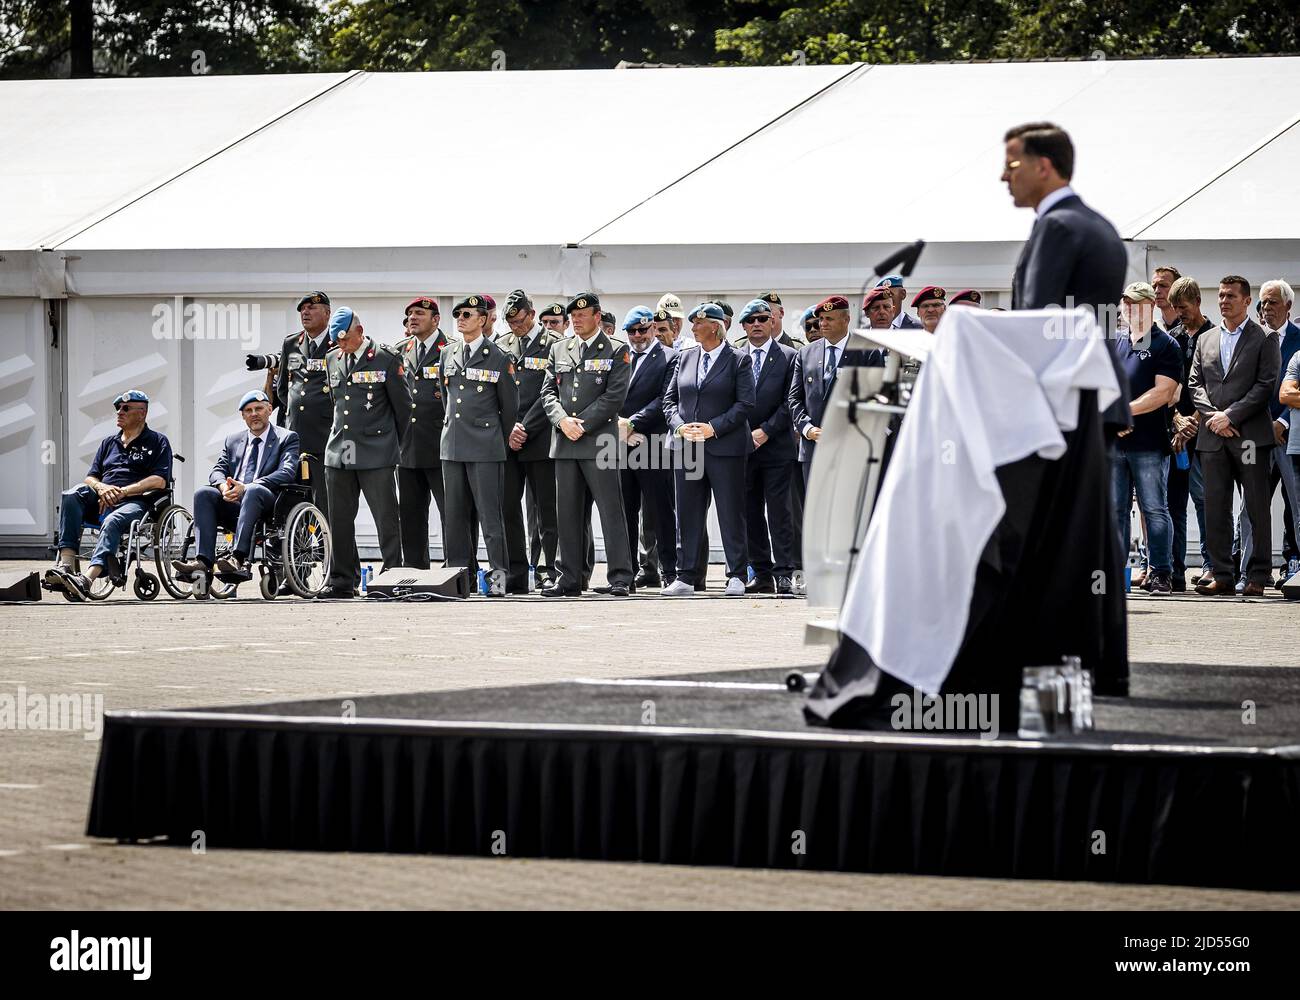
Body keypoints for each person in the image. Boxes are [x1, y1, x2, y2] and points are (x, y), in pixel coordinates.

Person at [1003, 121, 1130, 436]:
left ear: (1044, 167)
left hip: (1062, 404)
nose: (1004, 176)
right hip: (1094, 396)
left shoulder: (1057, 226)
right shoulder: (1100, 225)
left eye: (1012, 165)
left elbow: (1035, 323)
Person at [1188, 276, 1281, 597]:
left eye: (1231, 296)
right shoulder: (1207, 339)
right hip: (1213, 437)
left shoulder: (1264, 338)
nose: (1224, 300)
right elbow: (1194, 384)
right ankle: (1222, 574)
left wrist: (1231, 415)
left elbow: (1266, 384)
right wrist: (1215, 417)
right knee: (1215, 506)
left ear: (1246, 301)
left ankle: (1258, 574)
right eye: (1221, 296)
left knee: (1255, 505)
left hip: (1250, 438)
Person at [540, 291, 635, 597]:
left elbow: (614, 396)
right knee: (567, 513)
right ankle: (569, 577)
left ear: (597, 316)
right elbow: (548, 393)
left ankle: (621, 576)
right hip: (566, 441)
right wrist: (561, 421)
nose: (576, 320)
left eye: (583, 315)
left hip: (599, 441)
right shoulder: (559, 348)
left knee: (611, 511)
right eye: (573, 317)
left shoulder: (616, 350)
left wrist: (581, 423)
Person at [45, 389, 174, 601]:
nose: (119, 412)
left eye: (125, 408)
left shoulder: (158, 441)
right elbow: (91, 477)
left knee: (114, 520)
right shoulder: (108, 443)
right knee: (71, 494)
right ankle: (66, 566)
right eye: (118, 409)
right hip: (102, 499)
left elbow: (159, 480)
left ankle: (87, 579)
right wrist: (102, 488)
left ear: (141, 413)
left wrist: (122, 491)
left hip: (136, 503)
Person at [661, 302, 754, 597]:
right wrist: (679, 426)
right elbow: (669, 401)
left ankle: (736, 574)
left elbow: (745, 404)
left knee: (730, 512)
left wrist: (713, 427)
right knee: (687, 514)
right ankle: (686, 576)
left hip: (724, 447)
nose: (692, 329)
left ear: (714, 325)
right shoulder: (684, 358)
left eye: (698, 323)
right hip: (687, 447)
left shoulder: (738, 360)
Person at [322, 307, 412, 598]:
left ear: (359, 332)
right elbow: (338, 403)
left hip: (376, 450)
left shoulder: (385, 358)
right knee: (339, 518)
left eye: (346, 339)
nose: (342, 345)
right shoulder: (332, 359)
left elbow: (403, 407)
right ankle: (341, 580)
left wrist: (391, 445)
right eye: (338, 342)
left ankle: (392, 575)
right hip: (341, 449)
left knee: (386, 517)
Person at [171, 390, 301, 585]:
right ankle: (203, 561)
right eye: (248, 410)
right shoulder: (233, 440)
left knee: (253, 491)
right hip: (235, 503)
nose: (254, 414)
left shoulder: (286, 437)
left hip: (268, 503)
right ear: (243, 416)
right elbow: (217, 471)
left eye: (259, 409)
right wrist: (224, 487)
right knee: (204, 493)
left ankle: (237, 559)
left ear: (269, 410)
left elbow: (287, 472)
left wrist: (246, 487)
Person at [438, 295, 518, 596]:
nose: (461, 318)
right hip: (453, 445)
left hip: (485, 447)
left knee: (490, 518)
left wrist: (496, 438)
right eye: (458, 313)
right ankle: (460, 582)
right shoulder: (448, 353)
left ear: (483, 319)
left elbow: (509, 408)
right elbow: (447, 400)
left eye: (468, 314)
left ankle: (498, 581)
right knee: (455, 518)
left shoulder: (498, 357)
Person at [1111, 282, 1182, 595]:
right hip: (1114, 442)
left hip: (1149, 443)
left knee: (1154, 509)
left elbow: (1163, 392)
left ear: (1152, 305)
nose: (1130, 309)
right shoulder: (1115, 343)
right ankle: (1116, 572)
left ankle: (1161, 573)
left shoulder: (1166, 345)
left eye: (1137, 303)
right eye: (1126, 303)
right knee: (1115, 510)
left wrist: (1124, 412)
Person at [496, 288, 562, 591]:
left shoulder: (554, 345)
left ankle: (549, 569)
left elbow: (550, 392)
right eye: (511, 324)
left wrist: (524, 426)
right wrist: (510, 427)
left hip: (539, 438)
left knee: (546, 509)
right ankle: (516, 571)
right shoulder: (500, 345)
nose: (516, 328)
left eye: (521, 322)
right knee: (509, 507)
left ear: (532, 315)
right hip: (508, 440)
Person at [736, 298, 797, 594]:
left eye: (762, 319)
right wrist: (745, 434)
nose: (757, 324)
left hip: (776, 447)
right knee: (749, 511)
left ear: (772, 322)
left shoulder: (789, 356)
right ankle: (761, 573)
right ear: (744, 326)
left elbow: (791, 403)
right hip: (742, 447)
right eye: (751, 320)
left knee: (779, 511)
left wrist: (764, 432)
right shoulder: (735, 357)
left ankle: (784, 571)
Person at [1242, 278, 1300, 586]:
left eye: (1273, 302)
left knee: (1296, 505)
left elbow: (1295, 391)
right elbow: (1247, 387)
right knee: (1251, 505)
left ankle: (1296, 567)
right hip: (1256, 435)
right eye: (1263, 302)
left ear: (1289, 306)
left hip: (1289, 436)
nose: (1266, 308)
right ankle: (1249, 571)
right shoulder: (1252, 339)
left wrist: (1284, 422)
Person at [618, 305, 678, 589]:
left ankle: (670, 572)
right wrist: (620, 426)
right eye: (632, 331)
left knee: (660, 510)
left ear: (654, 327)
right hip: (617, 442)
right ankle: (625, 574)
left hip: (652, 442)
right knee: (624, 509)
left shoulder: (670, 357)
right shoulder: (621, 355)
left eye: (643, 329)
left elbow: (664, 399)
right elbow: (611, 393)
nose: (638, 336)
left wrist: (631, 424)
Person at [1167, 276, 1216, 590]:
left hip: (1205, 432)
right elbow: (1163, 384)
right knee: (1173, 503)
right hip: (1175, 433)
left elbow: (1215, 386)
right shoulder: (1171, 337)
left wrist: (1193, 421)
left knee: (1204, 500)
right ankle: (1174, 570)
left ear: (1198, 301)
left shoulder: (1215, 336)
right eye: (1175, 308)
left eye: (1183, 307)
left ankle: (1211, 565)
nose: (1179, 313)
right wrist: (1176, 419)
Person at [395, 296, 449, 569]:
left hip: (441, 446)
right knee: (411, 515)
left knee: (451, 514)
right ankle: (415, 570)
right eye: (410, 314)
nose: (413, 318)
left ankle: (459, 570)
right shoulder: (400, 350)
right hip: (407, 448)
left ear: (436, 319)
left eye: (419, 313)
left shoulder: (451, 349)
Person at [273, 292, 335, 523]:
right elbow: (282, 389)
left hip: (325, 437)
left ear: (327, 313)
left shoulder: (338, 343)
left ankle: (326, 554)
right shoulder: (292, 343)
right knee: (292, 499)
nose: (305, 312)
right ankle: (297, 555)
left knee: (325, 502)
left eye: (312, 308)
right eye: (302, 309)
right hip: (295, 437)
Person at [790, 296, 857, 489]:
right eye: (821, 319)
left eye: (829, 318)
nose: (823, 324)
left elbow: (875, 397)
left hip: (850, 448)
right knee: (814, 513)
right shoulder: (805, 353)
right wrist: (807, 429)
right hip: (813, 447)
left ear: (846, 319)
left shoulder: (866, 351)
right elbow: (794, 398)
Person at [1151, 266, 1183, 334]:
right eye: (1154, 286)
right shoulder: (1152, 329)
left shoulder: (1191, 327)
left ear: (1178, 290)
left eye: (1163, 285)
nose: (1156, 291)